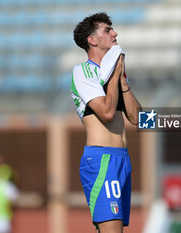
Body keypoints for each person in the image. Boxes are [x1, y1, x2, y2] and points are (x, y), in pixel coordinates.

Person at [71, 12, 141, 233]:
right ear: (92, 40)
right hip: (102, 159)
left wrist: (121, 80)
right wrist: (114, 78)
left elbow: (139, 119)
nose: (115, 33)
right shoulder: (83, 72)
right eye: (107, 30)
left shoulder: (114, 74)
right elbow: (107, 113)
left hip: (122, 160)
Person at [0, 152, 18, 233]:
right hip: (2, 221)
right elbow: (14, 200)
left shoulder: (5, 185)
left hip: (2, 220)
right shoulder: (6, 186)